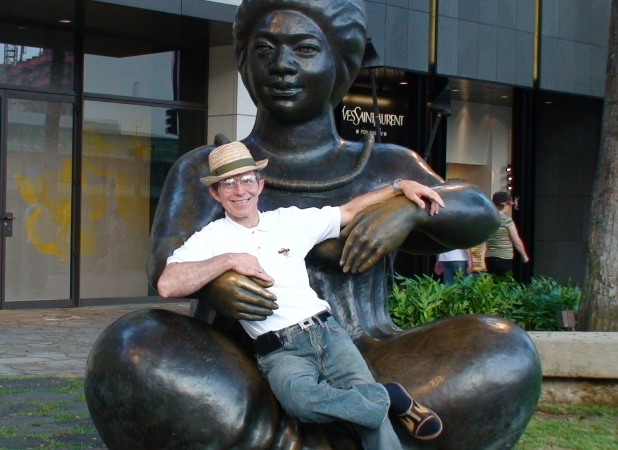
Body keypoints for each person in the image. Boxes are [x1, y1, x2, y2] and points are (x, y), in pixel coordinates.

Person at [85, 1, 542, 448]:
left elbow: (478, 211)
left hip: (364, 351)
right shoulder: (201, 168)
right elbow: (165, 264)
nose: (282, 65)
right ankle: (361, 421)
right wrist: (215, 280)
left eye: (304, 49)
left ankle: (299, 432)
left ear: (342, 62)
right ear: (243, 63)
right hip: (240, 366)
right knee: (131, 347)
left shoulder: (384, 164)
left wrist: (408, 208)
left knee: (504, 351)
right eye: (264, 50)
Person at [157, 141, 445, 448]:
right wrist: (228, 260)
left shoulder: (289, 220)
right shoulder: (210, 238)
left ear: (260, 185)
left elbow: (349, 210)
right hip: (280, 350)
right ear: (215, 193)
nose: (239, 190)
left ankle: (380, 401)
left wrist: (400, 186)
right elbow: (167, 285)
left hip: (327, 332)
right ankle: (388, 397)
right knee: (301, 403)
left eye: (246, 180)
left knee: (372, 424)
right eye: (228, 183)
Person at [484, 191, 529, 277]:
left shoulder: (488, 219)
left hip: (489, 257)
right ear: (505, 204)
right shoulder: (506, 220)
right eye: (510, 205)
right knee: (503, 282)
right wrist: (524, 256)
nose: (510, 208)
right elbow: (517, 241)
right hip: (504, 258)